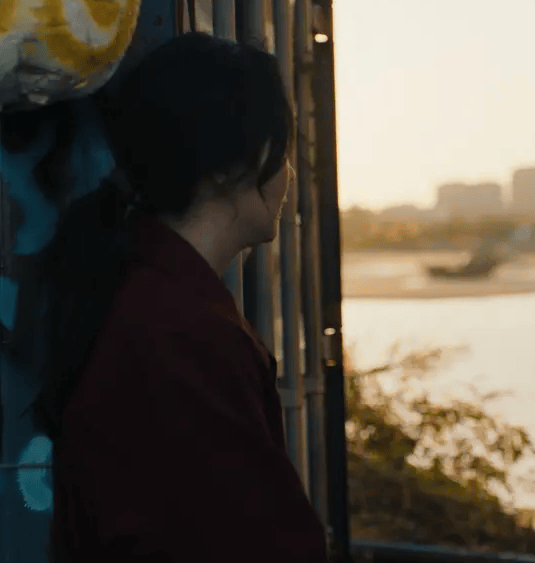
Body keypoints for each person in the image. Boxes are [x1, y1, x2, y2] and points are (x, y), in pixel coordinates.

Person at [29, 32, 327, 562]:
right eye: (280, 152)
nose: (287, 176)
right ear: (230, 169)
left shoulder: (147, 296)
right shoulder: (181, 333)